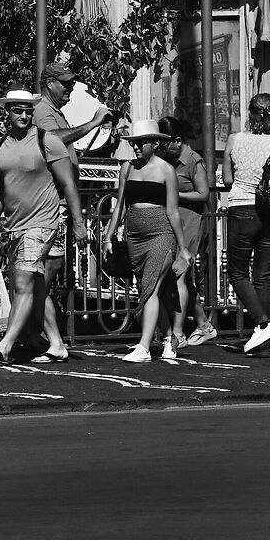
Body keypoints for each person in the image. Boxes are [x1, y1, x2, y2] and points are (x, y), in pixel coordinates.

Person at [0, 87, 83, 366]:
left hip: (42, 223)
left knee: (23, 283)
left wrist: (78, 223)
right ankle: (57, 344)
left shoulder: (47, 141)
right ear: (8, 112)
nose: (25, 115)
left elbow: (68, 184)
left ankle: (5, 345)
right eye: (18, 110)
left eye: (29, 110)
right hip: (15, 226)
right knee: (37, 287)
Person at [111, 117, 187, 364]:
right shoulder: (127, 168)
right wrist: (108, 236)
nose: (135, 147)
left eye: (141, 142)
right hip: (134, 235)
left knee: (151, 289)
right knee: (149, 289)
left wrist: (183, 247)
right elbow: (120, 205)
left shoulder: (166, 170)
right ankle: (168, 339)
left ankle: (144, 347)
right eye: (133, 142)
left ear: (154, 143)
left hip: (161, 234)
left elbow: (173, 211)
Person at [222, 92, 270, 354]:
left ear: (249, 115)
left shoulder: (235, 140)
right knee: (263, 277)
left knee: (237, 273)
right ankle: (264, 344)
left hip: (243, 210)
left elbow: (227, 180)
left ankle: (263, 325)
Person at [160, 115, 213, 346]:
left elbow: (203, 194)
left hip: (189, 222)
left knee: (180, 273)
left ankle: (178, 333)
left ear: (178, 140)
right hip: (171, 222)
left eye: (164, 143)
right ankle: (203, 324)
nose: (161, 148)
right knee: (179, 276)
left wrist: (174, 193)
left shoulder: (193, 160)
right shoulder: (166, 160)